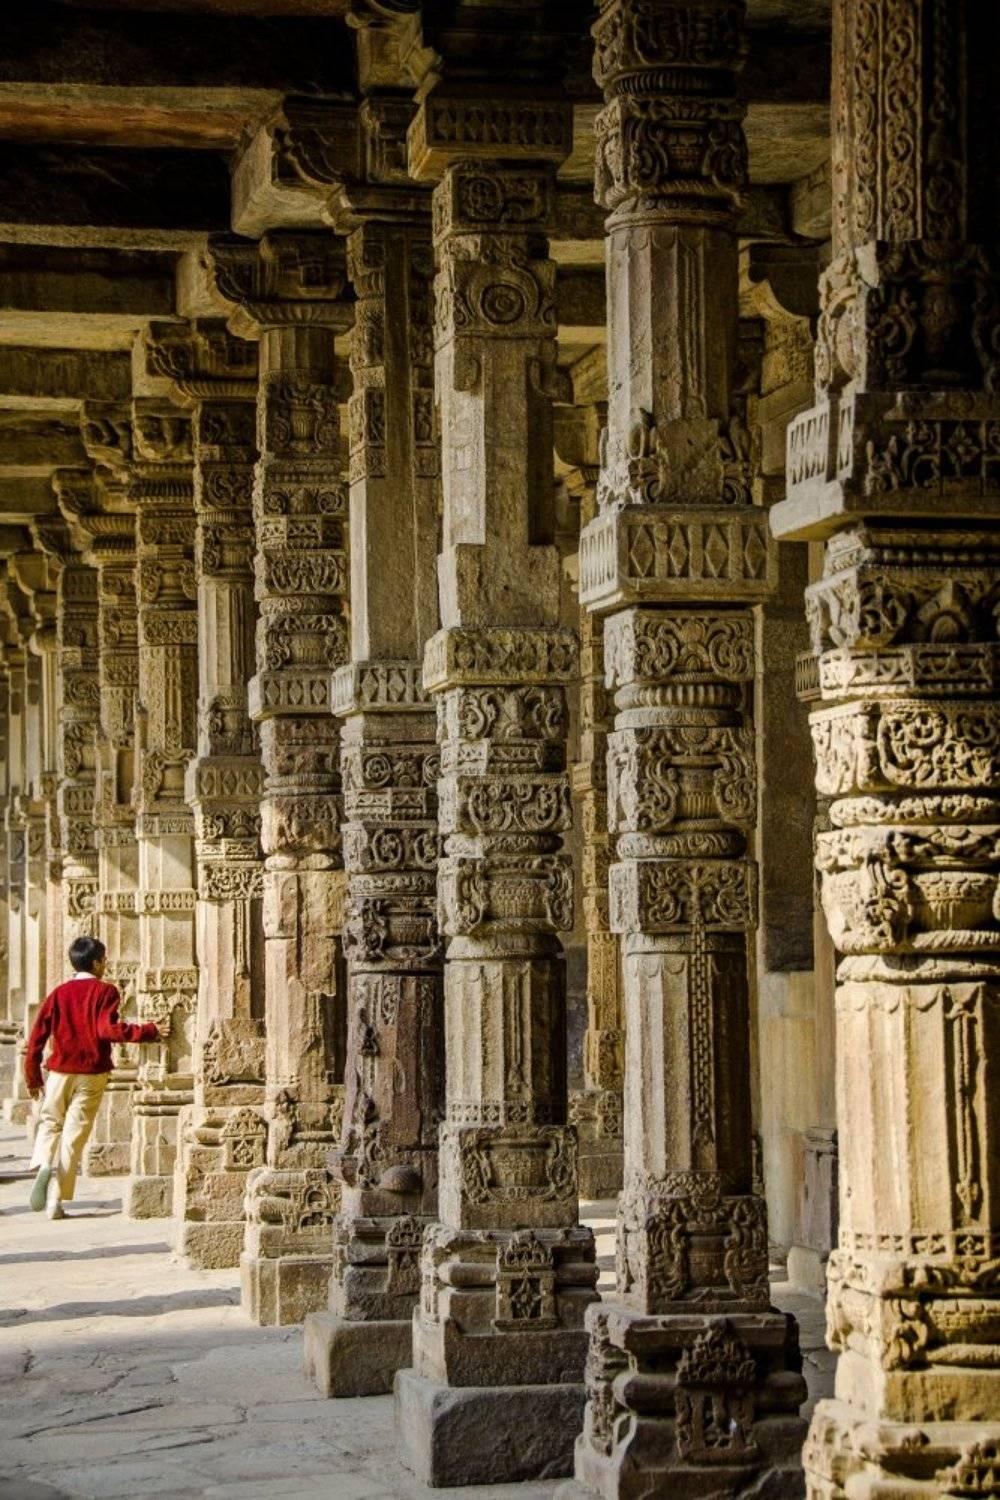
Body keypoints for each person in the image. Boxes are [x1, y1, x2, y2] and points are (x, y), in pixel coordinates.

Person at [24, 935, 167, 1220]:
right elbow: (107, 1030)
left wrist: (33, 1077)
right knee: (73, 1137)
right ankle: (55, 1201)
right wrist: (148, 1030)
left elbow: (37, 1038)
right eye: (104, 960)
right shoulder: (105, 991)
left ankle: (43, 1163)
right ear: (97, 963)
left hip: (59, 1071)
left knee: (51, 1122)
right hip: (91, 1073)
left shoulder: (59, 994)